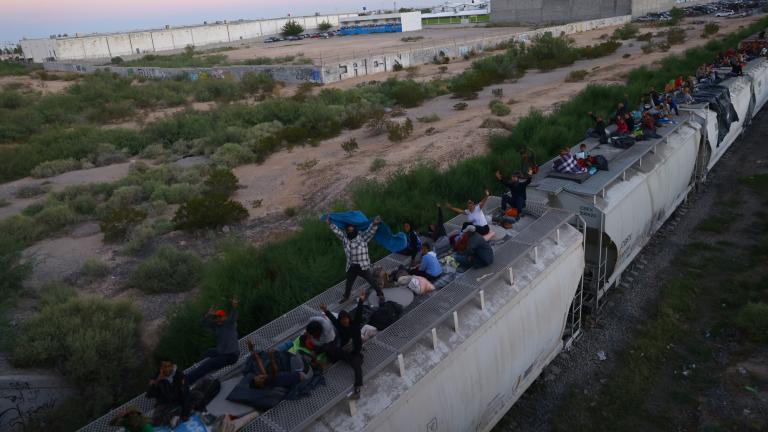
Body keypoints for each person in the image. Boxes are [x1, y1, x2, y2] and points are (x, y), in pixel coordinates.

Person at [328, 216, 386, 304]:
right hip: (352, 266)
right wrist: (330, 224)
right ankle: (346, 297)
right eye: (349, 230)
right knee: (348, 283)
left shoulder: (362, 238)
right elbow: (338, 232)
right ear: (347, 231)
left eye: (352, 230)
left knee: (372, 281)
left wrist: (374, 224)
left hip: (362, 266)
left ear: (355, 230)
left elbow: (370, 232)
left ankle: (381, 295)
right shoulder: (345, 239)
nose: (350, 231)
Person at [319, 290, 366, 399]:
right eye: (342, 320)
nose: (344, 322)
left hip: (355, 352)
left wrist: (361, 301)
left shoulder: (355, 325)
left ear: (349, 319)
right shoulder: (340, 326)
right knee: (328, 348)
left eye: (346, 319)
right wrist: (325, 310)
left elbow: (359, 312)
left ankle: (357, 389)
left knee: (357, 367)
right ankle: (328, 362)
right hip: (345, 351)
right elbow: (332, 318)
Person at [186, 297, 240, 385]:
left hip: (231, 356)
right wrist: (208, 314)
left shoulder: (230, 324)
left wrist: (234, 307)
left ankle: (187, 380)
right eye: (216, 317)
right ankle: (203, 367)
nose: (217, 318)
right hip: (222, 352)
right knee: (209, 351)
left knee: (209, 364)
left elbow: (233, 316)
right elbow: (203, 323)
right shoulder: (216, 326)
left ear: (225, 317)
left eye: (220, 317)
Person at [146, 359, 191, 425]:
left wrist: (185, 414)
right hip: (164, 403)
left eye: (169, 366)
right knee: (156, 419)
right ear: (161, 368)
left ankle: (177, 415)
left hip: (179, 400)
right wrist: (157, 381)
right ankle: (172, 417)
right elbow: (149, 395)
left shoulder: (179, 375)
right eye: (164, 367)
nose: (167, 369)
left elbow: (185, 392)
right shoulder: (156, 377)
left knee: (195, 397)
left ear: (172, 366)